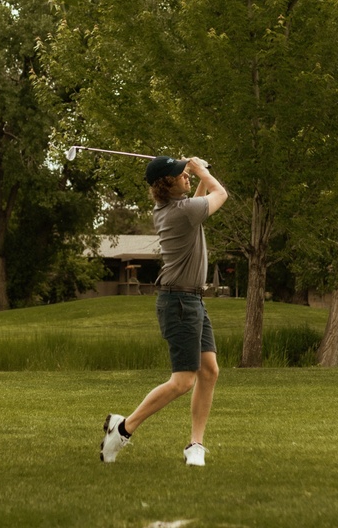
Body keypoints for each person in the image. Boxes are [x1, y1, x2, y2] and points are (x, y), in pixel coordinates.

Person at [100, 155, 228, 466]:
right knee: (183, 381)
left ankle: (195, 444)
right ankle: (123, 429)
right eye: (180, 174)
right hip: (180, 302)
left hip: (191, 300)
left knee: (209, 371)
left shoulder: (173, 209)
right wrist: (202, 170)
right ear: (166, 184)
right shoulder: (181, 212)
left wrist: (194, 173)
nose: (186, 175)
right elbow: (221, 194)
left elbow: (198, 201)